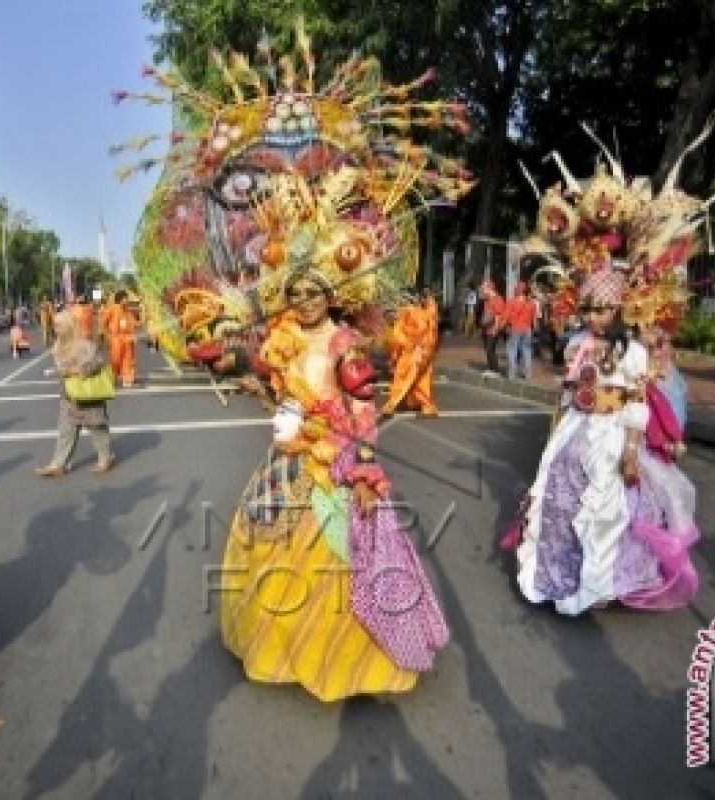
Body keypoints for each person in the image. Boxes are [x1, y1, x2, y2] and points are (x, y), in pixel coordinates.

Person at [224, 267, 449, 700]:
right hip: (290, 461)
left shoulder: (344, 345)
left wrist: (365, 474)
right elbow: (290, 405)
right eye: (295, 293)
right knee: (274, 547)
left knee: (341, 556)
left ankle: (346, 660)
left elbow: (364, 412)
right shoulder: (284, 340)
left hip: (336, 462)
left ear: (330, 296)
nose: (304, 300)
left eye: (312, 292)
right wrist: (260, 393)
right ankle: (284, 653)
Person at [504, 270, 700, 615]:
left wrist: (629, 452)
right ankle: (558, 575)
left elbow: (637, 405)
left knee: (604, 509)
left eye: (601, 310)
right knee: (558, 499)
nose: (593, 318)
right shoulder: (578, 345)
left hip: (611, 434)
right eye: (588, 310)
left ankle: (598, 584)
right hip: (576, 429)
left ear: (617, 310)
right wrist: (556, 436)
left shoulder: (634, 352)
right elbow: (568, 396)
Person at [35, 311, 115, 476]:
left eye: (58, 326)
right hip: (70, 395)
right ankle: (59, 464)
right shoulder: (58, 345)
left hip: (88, 394)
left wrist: (77, 371)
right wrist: (58, 371)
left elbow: (98, 362)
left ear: (68, 327)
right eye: (54, 325)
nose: (55, 329)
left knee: (97, 428)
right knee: (66, 429)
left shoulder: (84, 344)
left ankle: (105, 458)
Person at [383, 293, 440, 416]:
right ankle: (425, 405)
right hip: (423, 352)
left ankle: (392, 404)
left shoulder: (409, 312)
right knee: (421, 380)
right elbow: (433, 337)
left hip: (412, 351)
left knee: (403, 378)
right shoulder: (430, 313)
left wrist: (396, 354)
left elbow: (398, 335)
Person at [502, 281, 540, 380]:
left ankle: (511, 374)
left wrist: (502, 327)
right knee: (527, 351)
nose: (515, 289)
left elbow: (505, 318)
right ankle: (527, 374)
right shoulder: (531, 303)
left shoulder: (511, 302)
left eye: (516, 288)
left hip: (514, 328)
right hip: (527, 330)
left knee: (512, 350)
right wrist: (535, 331)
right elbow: (535, 320)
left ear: (518, 290)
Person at [102, 291, 139, 388]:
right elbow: (103, 323)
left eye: (127, 298)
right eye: (125, 298)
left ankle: (127, 379)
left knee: (128, 359)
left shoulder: (127, 310)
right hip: (116, 339)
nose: (127, 300)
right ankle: (114, 377)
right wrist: (107, 336)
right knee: (116, 360)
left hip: (127, 338)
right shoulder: (111, 309)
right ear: (120, 299)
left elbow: (132, 324)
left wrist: (133, 335)